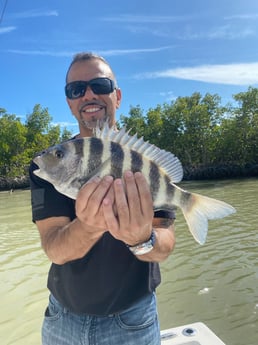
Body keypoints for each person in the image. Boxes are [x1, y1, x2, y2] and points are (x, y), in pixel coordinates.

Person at [29, 52, 176, 345]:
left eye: (100, 85)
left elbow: (165, 246)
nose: (89, 94)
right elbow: (55, 250)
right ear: (70, 102)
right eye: (76, 89)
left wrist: (142, 238)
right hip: (62, 321)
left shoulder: (147, 163)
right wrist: (90, 224)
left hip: (133, 320)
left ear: (117, 96)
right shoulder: (47, 168)